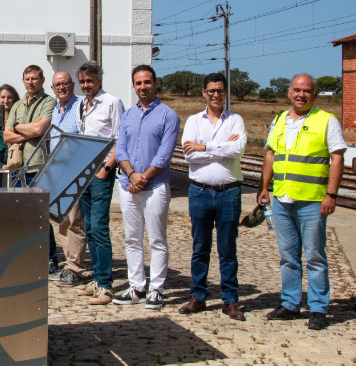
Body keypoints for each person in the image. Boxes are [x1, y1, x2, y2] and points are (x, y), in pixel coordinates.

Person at [258, 73, 346, 331]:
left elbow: (337, 158)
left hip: (312, 201)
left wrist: (331, 195)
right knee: (288, 256)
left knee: (315, 257)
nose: (301, 94)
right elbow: (271, 155)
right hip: (283, 200)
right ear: (289, 93)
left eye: (306, 90)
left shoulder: (326, 121)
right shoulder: (279, 120)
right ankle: (290, 303)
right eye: (296, 90)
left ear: (314, 94)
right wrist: (264, 188)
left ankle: (318, 308)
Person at [178, 73, 247, 320]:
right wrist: (220, 149)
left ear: (226, 92)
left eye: (219, 90)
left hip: (229, 193)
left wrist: (204, 147)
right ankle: (198, 296)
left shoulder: (236, 120)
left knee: (228, 248)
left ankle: (230, 300)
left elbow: (237, 149)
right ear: (204, 93)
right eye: (211, 91)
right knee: (200, 247)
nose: (215, 95)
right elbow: (188, 155)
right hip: (200, 192)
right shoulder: (195, 120)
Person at [113, 65, 179, 309]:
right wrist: (131, 175)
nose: (143, 87)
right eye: (138, 83)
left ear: (155, 83)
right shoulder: (128, 115)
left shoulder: (168, 115)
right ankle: (136, 286)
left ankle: (156, 289)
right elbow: (121, 150)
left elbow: (164, 155)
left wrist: (143, 178)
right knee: (132, 238)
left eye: (147, 82)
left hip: (155, 186)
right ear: (134, 85)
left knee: (157, 239)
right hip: (127, 185)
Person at [72, 61, 125, 304]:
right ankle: (96, 277)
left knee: (100, 227)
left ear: (99, 81)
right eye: (83, 82)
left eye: (90, 81)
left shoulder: (112, 102)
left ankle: (105, 284)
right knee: (89, 228)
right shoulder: (81, 105)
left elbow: (119, 138)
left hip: (101, 172)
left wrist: (107, 167)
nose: (86, 86)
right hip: (84, 172)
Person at [3, 65, 56, 273]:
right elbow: (6, 135)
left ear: (42, 80)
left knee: (41, 215)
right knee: (20, 214)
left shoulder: (48, 102)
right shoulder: (17, 105)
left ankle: (50, 258)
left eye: (34, 78)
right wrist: (25, 131)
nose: (30, 82)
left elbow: (40, 129)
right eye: (27, 79)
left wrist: (16, 128)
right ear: (23, 80)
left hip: (38, 165)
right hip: (18, 166)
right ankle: (25, 256)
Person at [47, 71, 85, 287]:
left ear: (72, 85)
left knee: (73, 222)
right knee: (62, 221)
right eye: (57, 85)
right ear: (53, 89)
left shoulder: (80, 106)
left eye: (65, 83)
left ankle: (75, 269)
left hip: (74, 170)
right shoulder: (55, 110)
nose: (61, 87)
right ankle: (70, 265)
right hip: (57, 171)